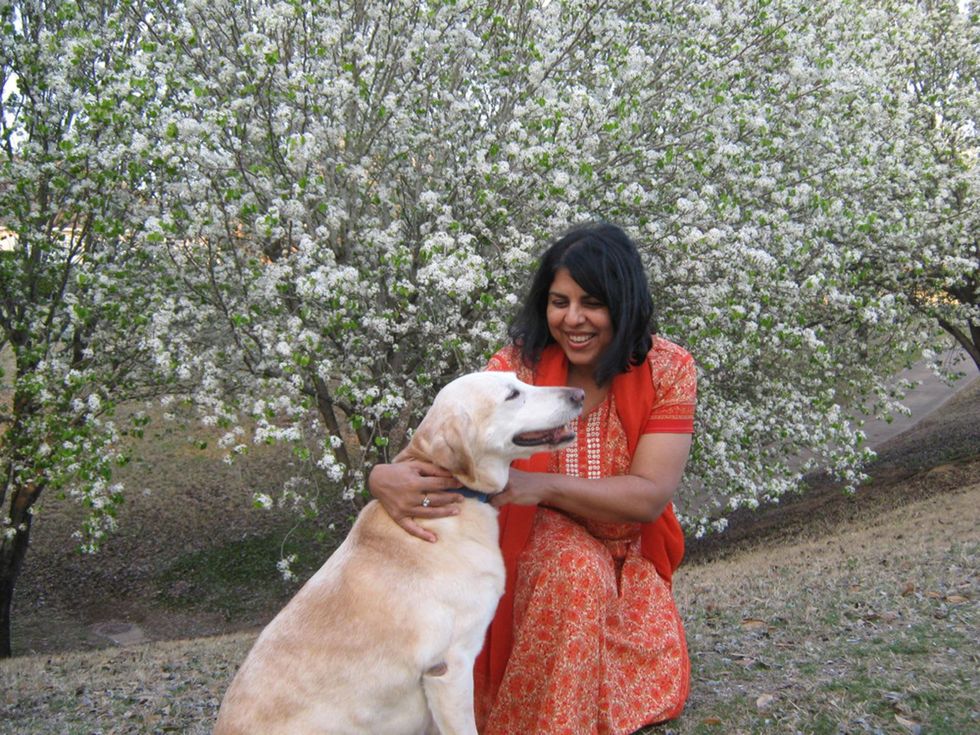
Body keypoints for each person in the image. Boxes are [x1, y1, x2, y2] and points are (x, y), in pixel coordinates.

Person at [368, 222, 696, 734]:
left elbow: (649, 497)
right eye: (559, 302)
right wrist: (381, 476)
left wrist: (538, 486)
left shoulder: (669, 369)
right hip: (535, 547)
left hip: (627, 557)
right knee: (575, 568)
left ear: (624, 304)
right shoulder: (515, 369)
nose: (573, 319)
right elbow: (443, 443)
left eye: (592, 303)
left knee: (606, 610)